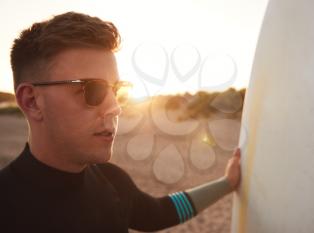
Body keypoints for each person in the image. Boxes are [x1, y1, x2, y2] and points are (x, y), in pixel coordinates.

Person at [0, 12, 241, 233]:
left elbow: (157, 214)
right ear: (32, 101)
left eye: (116, 90)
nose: (115, 107)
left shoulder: (111, 180)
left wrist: (226, 183)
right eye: (92, 90)